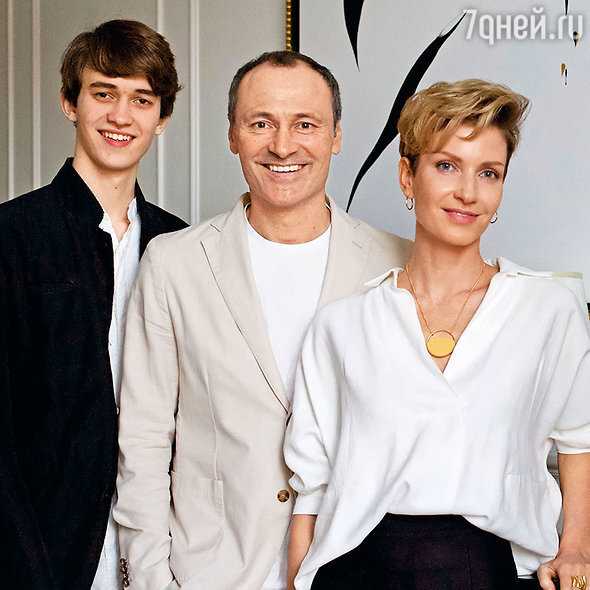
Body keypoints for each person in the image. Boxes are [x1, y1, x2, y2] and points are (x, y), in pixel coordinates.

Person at [113, 51, 411, 589]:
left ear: (337, 135)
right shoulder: (174, 262)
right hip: (210, 573)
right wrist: (153, 579)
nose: (282, 145)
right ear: (233, 135)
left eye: (306, 124)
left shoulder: (398, 264)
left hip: (359, 569)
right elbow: (143, 440)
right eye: (261, 124)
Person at [284, 79, 590, 590]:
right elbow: (312, 487)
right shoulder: (342, 325)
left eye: (488, 173)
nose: (468, 192)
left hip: (488, 570)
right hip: (356, 571)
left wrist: (577, 547)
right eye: (447, 166)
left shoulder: (548, 311)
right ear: (407, 176)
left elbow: (579, 438)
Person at [0, 19, 187, 590]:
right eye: (103, 93)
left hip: (159, 544)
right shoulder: (13, 236)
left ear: (162, 117)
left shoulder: (180, 244)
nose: (120, 116)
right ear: (69, 103)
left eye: (141, 99)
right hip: (45, 546)